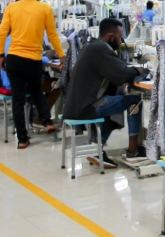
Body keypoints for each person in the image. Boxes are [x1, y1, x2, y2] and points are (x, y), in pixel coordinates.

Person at [62, 17, 147, 167]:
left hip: (75, 106)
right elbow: (122, 74)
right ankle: (133, 151)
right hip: (87, 107)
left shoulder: (90, 46)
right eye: (120, 36)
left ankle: (97, 150)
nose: (121, 41)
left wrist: (127, 69)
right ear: (111, 36)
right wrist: (140, 69)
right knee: (134, 100)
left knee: (113, 107)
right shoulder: (101, 50)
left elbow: (116, 67)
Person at [0, 0, 66, 149]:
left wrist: (1, 55)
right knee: (36, 91)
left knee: (18, 99)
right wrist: (62, 55)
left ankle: (22, 139)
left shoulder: (12, 7)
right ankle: (47, 121)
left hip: (14, 59)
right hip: (33, 60)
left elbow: (2, 33)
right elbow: (52, 35)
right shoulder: (44, 8)